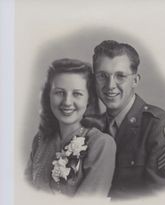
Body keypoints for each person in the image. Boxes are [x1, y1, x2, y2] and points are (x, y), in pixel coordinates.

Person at [85, 40, 165, 199]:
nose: (110, 85)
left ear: (135, 80)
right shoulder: (90, 126)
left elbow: (163, 204)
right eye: (102, 76)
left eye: (120, 76)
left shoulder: (159, 129)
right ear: (94, 80)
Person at [25, 58, 116, 197]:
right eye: (59, 92)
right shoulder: (40, 140)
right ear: (48, 96)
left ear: (89, 99)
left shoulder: (101, 144)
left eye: (77, 94)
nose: (67, 102)